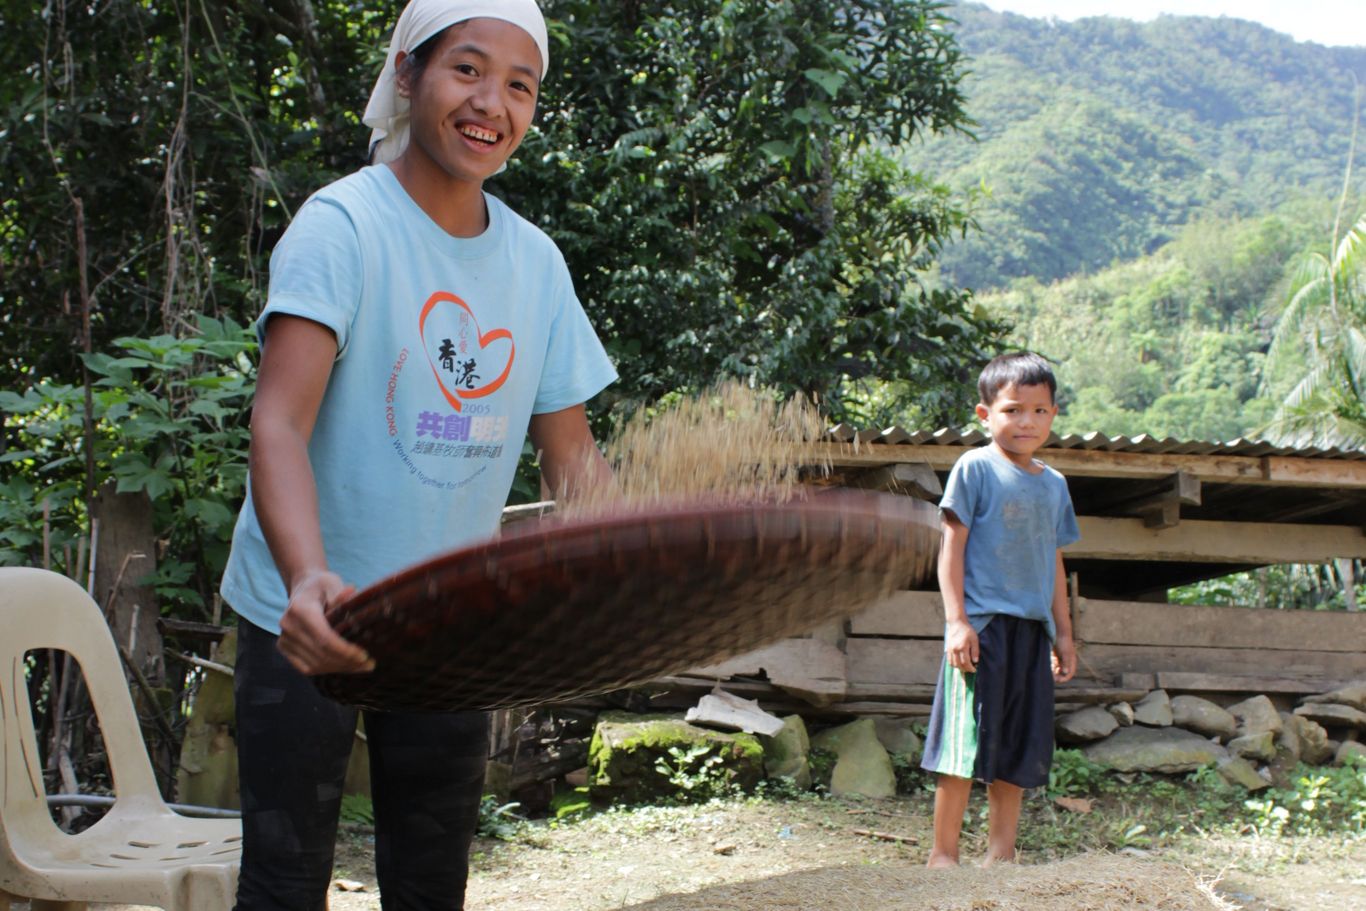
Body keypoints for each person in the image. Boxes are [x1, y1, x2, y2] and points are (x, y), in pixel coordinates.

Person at [218, 1, 617, 908]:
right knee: (284, 879)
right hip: (308, 609)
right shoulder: (343, 227)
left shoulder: (537, 265)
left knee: (430, 878)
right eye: (467, 70)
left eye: (520, 85)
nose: (493, 104)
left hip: (447, 622)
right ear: (408, 74)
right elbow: (277, 422)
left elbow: (574, 462)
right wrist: (307, 577)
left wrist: (635, 576)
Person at [920, 351, 1080, 868]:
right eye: (1012, 410)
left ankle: (1001, 857)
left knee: (1018, 745)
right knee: (962, 746)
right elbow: (952, 547)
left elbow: (1052, 561)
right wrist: (957, 622)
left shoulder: (1054, 486)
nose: (1026, 421)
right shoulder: (975, 467)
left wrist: (1064, 634)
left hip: (1032, 632)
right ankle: (944, 856)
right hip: (981, 630)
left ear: (1053, 414)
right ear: (985, 414)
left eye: (1039, 410)